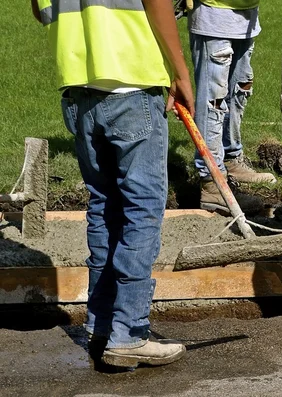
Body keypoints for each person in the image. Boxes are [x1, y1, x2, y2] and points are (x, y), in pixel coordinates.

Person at [31, 0, 195, 367]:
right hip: (132, 84)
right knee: (141, 212)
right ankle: (130, 333)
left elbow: (42, 11)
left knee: (104, 207)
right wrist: (181, 73)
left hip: (81, 91)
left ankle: (103, 327)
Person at [187, 0, 276, 213]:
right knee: (213, 102)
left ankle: (230, 158)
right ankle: (212, 183)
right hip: (214, 13)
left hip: (246, 16)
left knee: (239, 90)